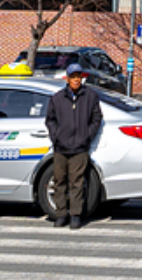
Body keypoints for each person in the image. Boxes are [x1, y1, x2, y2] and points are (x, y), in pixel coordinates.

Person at [43, 63, 103, 228]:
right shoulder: (57, 98)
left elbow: (97, 118)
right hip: (61, 147)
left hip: (80, 147)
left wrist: (87, 135)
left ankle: (76, 215)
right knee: (59, 181)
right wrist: (55, 136)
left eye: (79, 77)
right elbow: (50, 120)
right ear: (67, 79)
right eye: (73, 77)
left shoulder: (90, 96)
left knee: (76, 182)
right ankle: (61, 214)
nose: (76, 80)